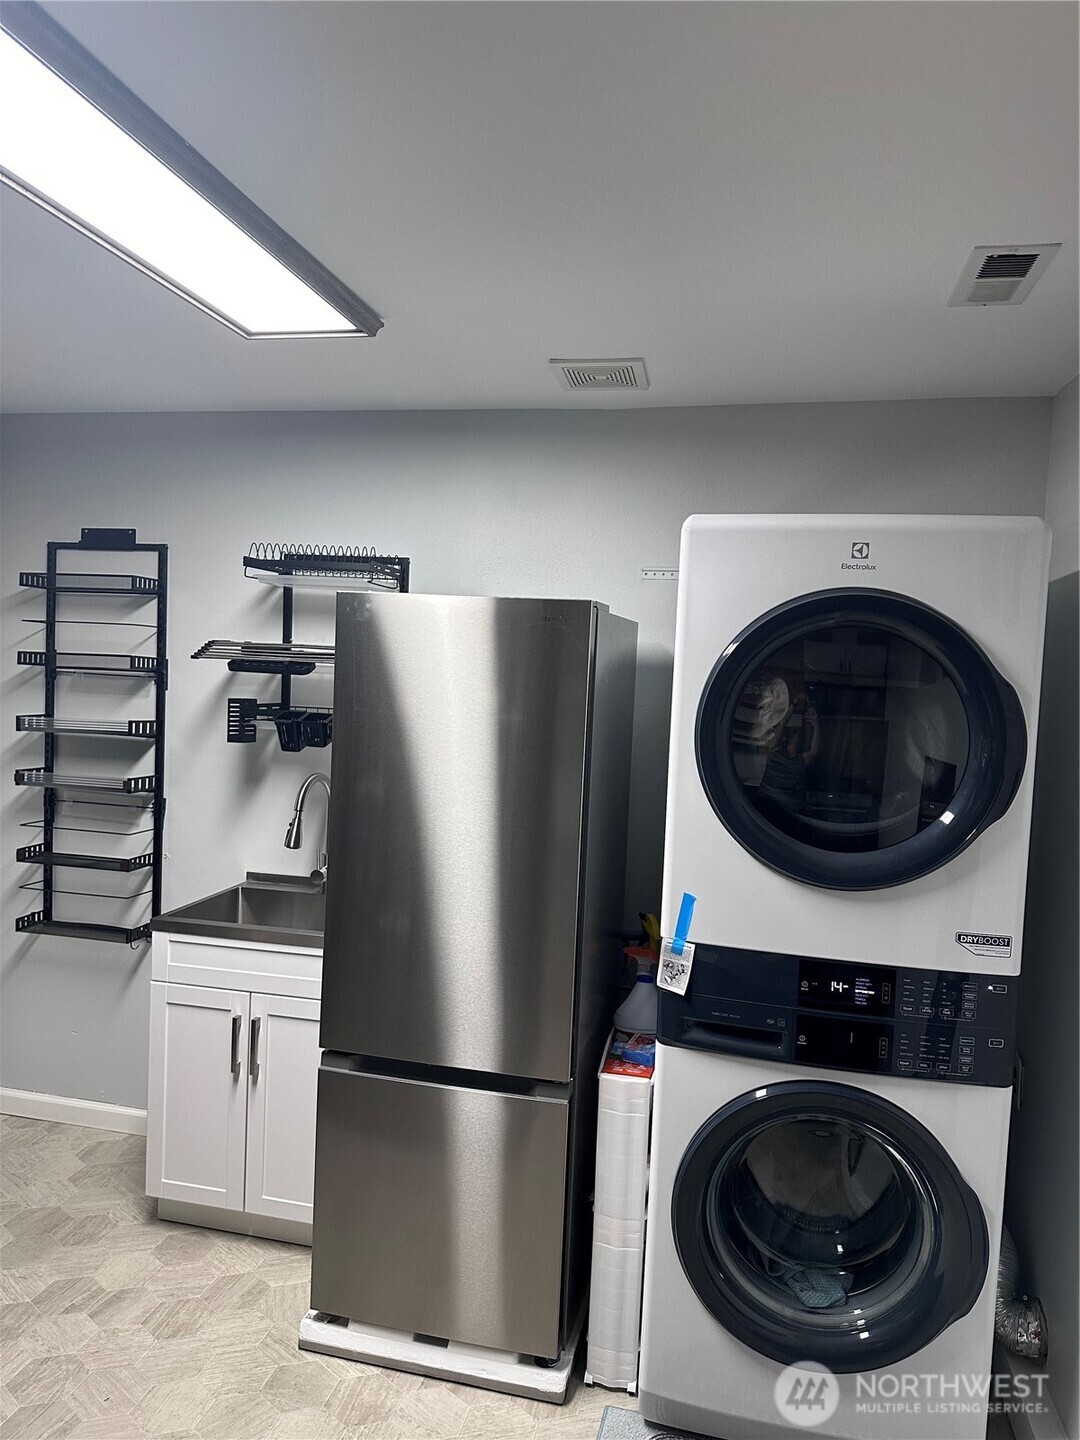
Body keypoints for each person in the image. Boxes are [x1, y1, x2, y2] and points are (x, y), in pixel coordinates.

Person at [756, 699, 820, 818]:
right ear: (787, 738)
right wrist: (794, 705)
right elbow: (781, 725)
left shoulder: (802, 760)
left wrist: (816, 725)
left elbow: (814, 752)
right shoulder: (774, 752)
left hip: (790, 812)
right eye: (794, 734)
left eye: (799, 734)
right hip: (767, 805)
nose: (797, 737)